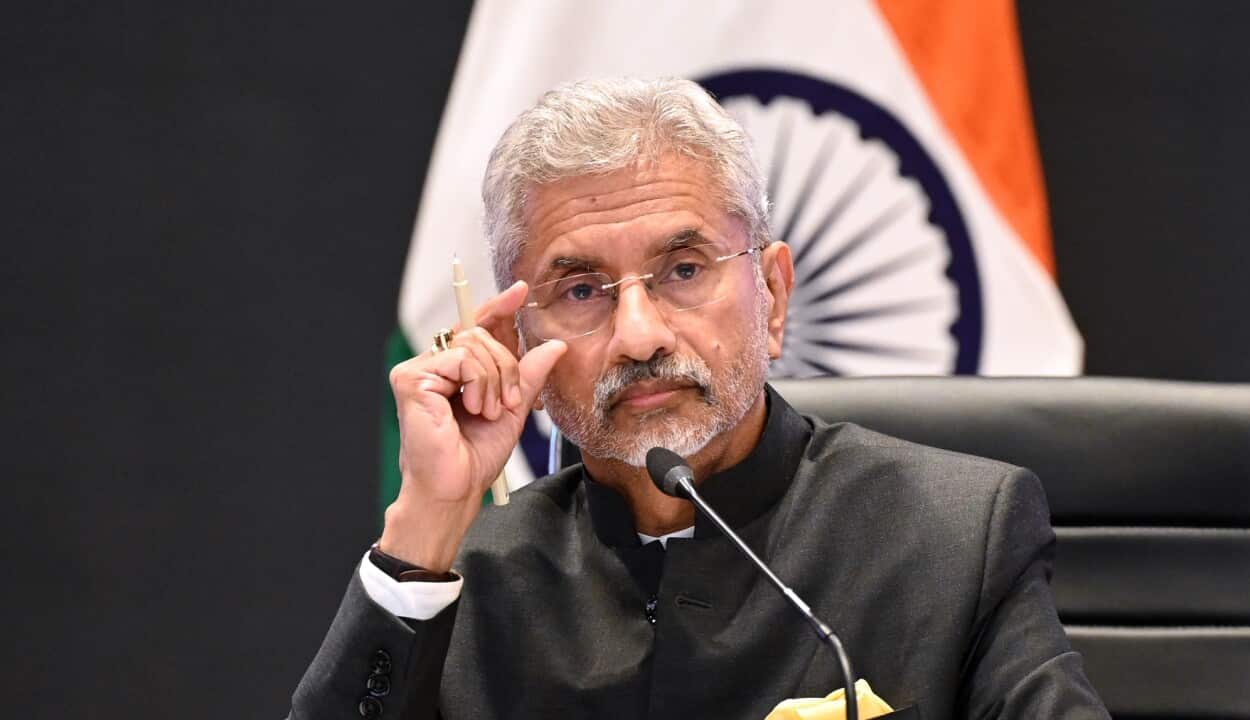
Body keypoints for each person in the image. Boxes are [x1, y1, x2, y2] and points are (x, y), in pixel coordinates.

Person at [288, 77, 1109, 719]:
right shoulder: (466, 579)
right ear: (521, 338)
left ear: (773, 296)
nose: (638, 335)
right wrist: (425, 524)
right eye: (581, 290)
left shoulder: (953, 535)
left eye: (683, 270)